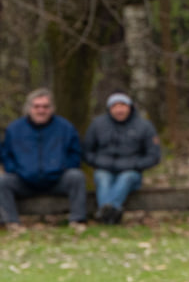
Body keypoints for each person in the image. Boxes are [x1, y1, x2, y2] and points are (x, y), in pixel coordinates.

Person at [0, 88, 87, 233]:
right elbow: (6, 154)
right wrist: (15, 170)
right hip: (24, 180)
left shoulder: (65, 127)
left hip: (57, 179)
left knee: (76, 177)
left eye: (45, 107)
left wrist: (63, 167)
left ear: (52, 108)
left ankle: (77, 220)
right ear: (29, 108)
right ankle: (12, 222)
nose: (41, 110)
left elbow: (75, 153)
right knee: (3, 182)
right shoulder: (15, 129)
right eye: (37, 106)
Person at [83, 91, 161, 224]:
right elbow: (87, 151)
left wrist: (136, 164)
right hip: (105, 168)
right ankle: (112, 213)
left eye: (123, 105)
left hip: (131, 171)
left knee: (126, 177)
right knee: (102, 176)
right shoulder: (98, 124)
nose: (119, 110)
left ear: (130, 107)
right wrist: (99, 162)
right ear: (109, 108)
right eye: (115, 106)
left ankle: (106, 212)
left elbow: (153, 155)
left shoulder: (144, 126)